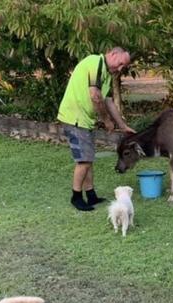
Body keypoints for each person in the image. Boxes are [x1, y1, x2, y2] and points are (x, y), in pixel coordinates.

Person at [57, 47, 136, 211]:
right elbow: (95, 96)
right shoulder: (95, 63)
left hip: (85, 121)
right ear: (113, 54)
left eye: (124, 67)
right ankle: (76, 197)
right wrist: (106, 120)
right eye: (121, 63)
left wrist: (122, 126)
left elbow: (108, 102)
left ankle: (91, 195)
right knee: (84, 161)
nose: (120, 69)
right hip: (75, 118)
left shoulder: (106, 74)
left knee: (88, 159)